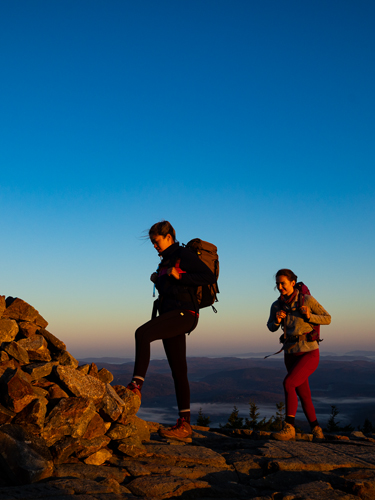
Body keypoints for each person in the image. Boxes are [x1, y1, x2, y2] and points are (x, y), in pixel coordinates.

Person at [127, 221, 216, 441]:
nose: (154, 246)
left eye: (156, 241)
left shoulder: (183, 254)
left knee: (142, 334)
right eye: (152, 243)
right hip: (172, 314)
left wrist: (180, 276)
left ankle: (136, 386)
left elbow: (208, 277)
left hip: (184, 313)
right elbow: (173, 285)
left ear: (168, 237)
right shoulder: (166, 260)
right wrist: (160, 279)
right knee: (179, 371)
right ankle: (185, 425)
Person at [267, 269, 331, 441]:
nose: (280, 287)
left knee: (288, 383)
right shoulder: (276, 305)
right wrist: (277, 320)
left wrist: (309, 315)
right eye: (278, 284)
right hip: (290, 353)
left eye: (283, 283)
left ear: (293, 283)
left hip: (309, 352)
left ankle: (289, 427)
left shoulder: (307, 300)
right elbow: (270, 327)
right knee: (304, 394)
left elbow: (327, 318)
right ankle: (317, 429)